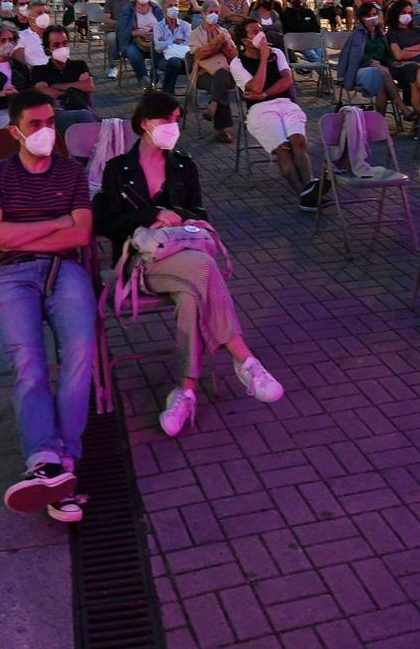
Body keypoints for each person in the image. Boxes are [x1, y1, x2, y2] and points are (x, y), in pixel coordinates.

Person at [94, 92, 284, 435]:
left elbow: (199, 217)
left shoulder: (183, 165)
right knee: (204, 268)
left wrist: (177, 219)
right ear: (144, 124)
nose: (173, 127)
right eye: (166, 120)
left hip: (184, 260)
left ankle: (185, 391)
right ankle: (244, 359)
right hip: (143, 263)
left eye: (177, 119)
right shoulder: (118, 169)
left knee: (192, 295)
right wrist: (153, 215)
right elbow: (106, 223)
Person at [0, 90, 94, 522]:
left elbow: (80, 235)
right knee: (30, 361)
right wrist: (55, 223)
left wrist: (20, 230)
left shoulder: (71, 173)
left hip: (64, 271)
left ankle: (54, 461)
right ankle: (53, 460)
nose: (46, 132)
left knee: (81, 351)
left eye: (50, 123)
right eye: (35, 125)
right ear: (15, 132)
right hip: (11, 276)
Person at [235, 15, 320, 208]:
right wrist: (263, 58)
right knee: (283, 148)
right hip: (260, 110)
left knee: (298, 141)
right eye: (255, 32)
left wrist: (265, 94)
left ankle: (310, 187)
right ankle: (304, 194)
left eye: (261, 30)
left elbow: (287, 80)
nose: (261, 35)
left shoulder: (277, 53)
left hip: (284, 103)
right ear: (245, 41)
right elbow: (254, 88)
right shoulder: (237, 63)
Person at [334, 1, 412, 123]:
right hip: (359, 71)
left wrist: (393, 63)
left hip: (379, 71)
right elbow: (356, 57)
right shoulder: (358, 35)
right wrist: (371, 62)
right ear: (362, 18)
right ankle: (402, 107)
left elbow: (386, 56)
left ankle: (379, 122)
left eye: (375, 14)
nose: (373, 18)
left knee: (382, 85)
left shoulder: (380, 35)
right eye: (369, 15)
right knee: (383, 72)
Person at [189, 9, 239, 143]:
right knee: (220, 81)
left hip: (225, 73)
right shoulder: (195, 33)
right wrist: (215, 43)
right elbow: (198, 54)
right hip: (203, 74)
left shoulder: (223, 32)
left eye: (217, 11)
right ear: (203, 14)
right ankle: (220, 129)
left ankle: (214, 105)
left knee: (221, 75)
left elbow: (235, 56)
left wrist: (226, 44)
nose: (214, 14)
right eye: (211, 11)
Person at [35, 26, 97, 131]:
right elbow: (43, 92)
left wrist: (56, 86)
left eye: (65, 43)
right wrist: (74, 89)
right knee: (83, 116)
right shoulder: (40, 70)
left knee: (85, 116)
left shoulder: (79, 65)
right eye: (56, 45)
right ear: (47, 49)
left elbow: (89, 86)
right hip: (58, 115)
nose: (62, 47)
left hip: (80, 108)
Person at [132, 0, 193, 94]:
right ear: (164, 9)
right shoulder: (158, 27)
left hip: (185, 59)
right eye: (170, 5)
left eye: (176, 5)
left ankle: (167, 94)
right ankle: (168, 93)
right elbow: (158, 47)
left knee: (176, 63)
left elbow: (189, 43)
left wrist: (166, 42)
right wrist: (174, 41)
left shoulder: (186, 25)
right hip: (163, 59)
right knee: (174, 62)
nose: (173, 8)